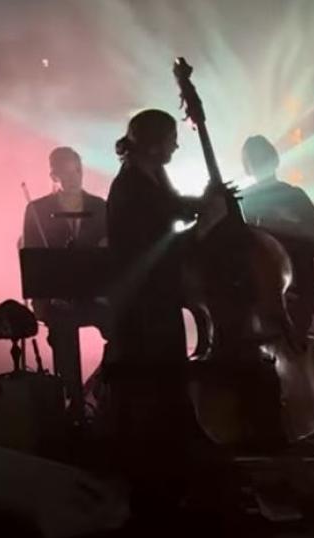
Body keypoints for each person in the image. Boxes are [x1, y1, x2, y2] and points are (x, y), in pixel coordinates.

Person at [105, 108, 226, 516]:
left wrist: (206, 200)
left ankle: (169, 485)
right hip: (145, 308)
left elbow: (171, 207)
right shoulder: (130, 189)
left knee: (165, 391)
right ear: (155, 142)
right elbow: (159, 249)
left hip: (157, 302)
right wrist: (206, 226)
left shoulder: (150, 176)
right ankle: (156, 495)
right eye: (172, 138)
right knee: (156, 395)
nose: (177, 144)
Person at [20, 146, 109, 419]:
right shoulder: (36, 209)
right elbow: (32, 257)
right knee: (62, 331)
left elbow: (111, 250)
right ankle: (74, 401)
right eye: (66, 172)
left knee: (125, 329)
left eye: (77, 170)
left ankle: (97, 387)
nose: (74, 177)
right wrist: (50, 293)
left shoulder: (99, 206)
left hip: (95, 294)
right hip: (55, 298)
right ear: (54, 175)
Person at [238, 135, 314, 336]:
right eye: (255, 159)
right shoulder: (245, 198)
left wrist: (290, 227)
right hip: (263, 286)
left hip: (295, 283)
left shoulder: (293, 196)